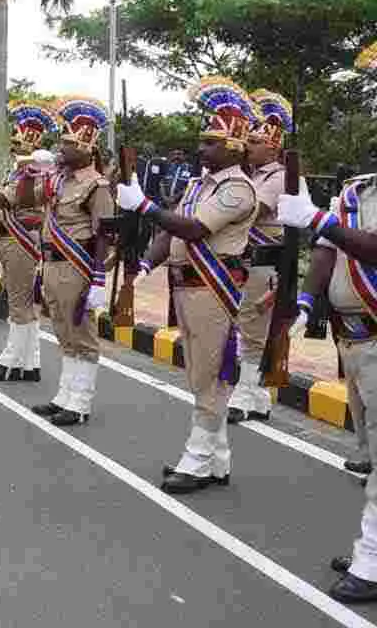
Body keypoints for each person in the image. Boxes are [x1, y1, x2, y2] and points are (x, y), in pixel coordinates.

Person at [118, 76, 259, 494]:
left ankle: (197, 459)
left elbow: (194, 229)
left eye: (211, 142)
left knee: (209, 374)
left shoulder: (239, 188)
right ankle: (217, 459)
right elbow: (170, 233)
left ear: (233, 148)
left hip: (212, 289)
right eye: (203, 141)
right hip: (186, 287)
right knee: (200, 371)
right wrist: (146, 263)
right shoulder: (198, 184)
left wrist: (144, 205)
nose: (202, 148)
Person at [277, 160, 377, 602]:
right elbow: (326, 249)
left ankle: (371, 559)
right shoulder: (357, 191)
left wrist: (318, 217)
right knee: (368, 456)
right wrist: (303, 300)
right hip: (351, 341)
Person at [28, 97, 115, 427]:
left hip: (76, 266)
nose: (60, 150)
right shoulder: (58, 180)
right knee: (64, 332)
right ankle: (64, 394)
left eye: (68, 145)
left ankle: (80, 401)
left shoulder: (97, 185)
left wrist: (98, 279)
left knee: (82, 335)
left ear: (87, 147)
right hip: (52, 264)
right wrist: (28, 169)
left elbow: (104, 235)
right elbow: (24, 197)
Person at [0, 102, 59, 382]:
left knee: (19, 304)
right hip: (13, 241)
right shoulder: (21, 172)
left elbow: (5, 200)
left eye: (18, 144)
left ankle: (9, 361)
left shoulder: (34, 175)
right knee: (25, 304)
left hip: (21, 241)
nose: (13, 149)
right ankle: (30, 363)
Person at [227, 90, 303, 424]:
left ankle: (244, 395)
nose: (248, 147)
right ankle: (257, 397)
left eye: (254, 143)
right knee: (244, 325)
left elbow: (251, 209)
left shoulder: (280, 177)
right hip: (245, 260)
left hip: (266, 261)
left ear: (272, 146)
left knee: (254, 329)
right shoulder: (251, 175)